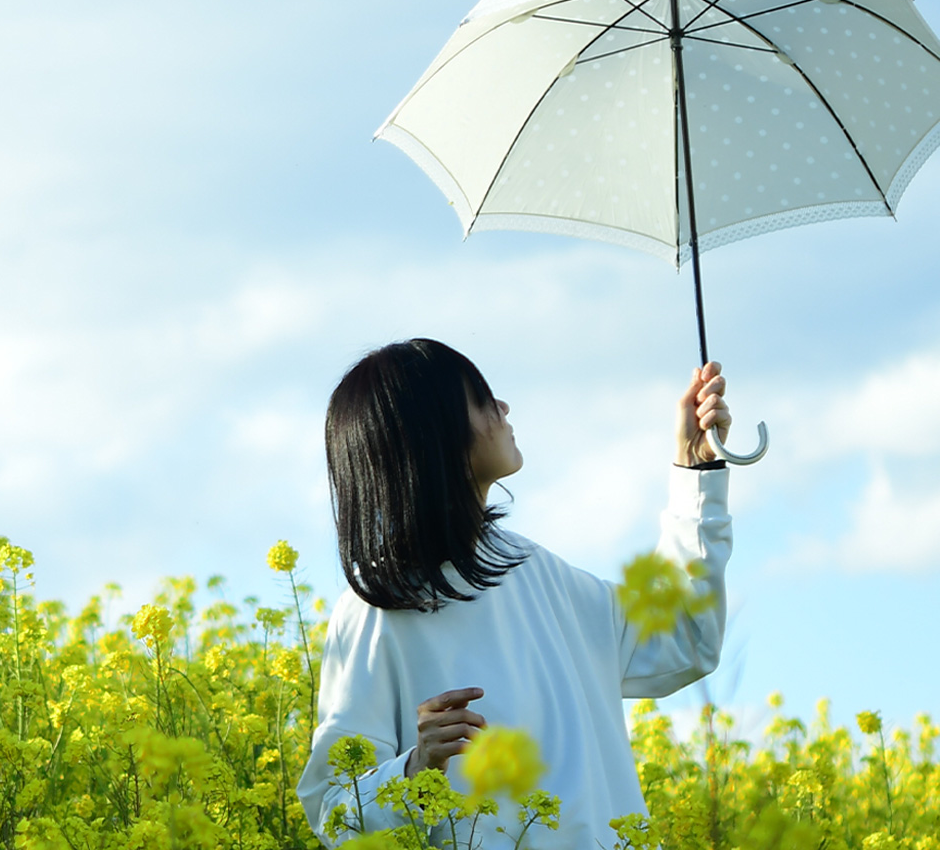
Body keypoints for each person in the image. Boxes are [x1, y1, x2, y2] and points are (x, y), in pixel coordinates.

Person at [296, 338, 735, 848]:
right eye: (482, 399)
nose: (503, 408)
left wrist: (695, 469)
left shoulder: (537, 571)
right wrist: (416, 769)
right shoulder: (378, 609)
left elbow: (686, 635)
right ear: (434, 432)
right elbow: (333, 811)